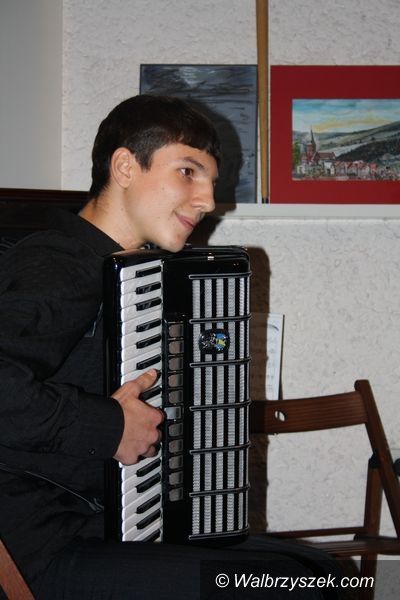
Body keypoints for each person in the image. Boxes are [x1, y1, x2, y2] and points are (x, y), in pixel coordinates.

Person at [0, 95, 342, 599]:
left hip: (105, 524)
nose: (207, 201)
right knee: (291, 586)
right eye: (188, 172)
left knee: (323, 570)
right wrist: (109, 426)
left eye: (211, 182)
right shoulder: (58, 265)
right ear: (124, 167)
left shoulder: (133, 273)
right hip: (40, 546)